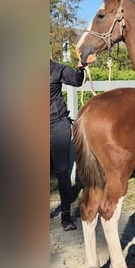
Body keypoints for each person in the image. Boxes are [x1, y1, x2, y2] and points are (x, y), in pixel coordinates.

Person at [50, 59, 85, 231]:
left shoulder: (58, 69)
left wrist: (81, 67)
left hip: (58, 124)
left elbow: (77, 81)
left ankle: (65, 215)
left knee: (62, 170)